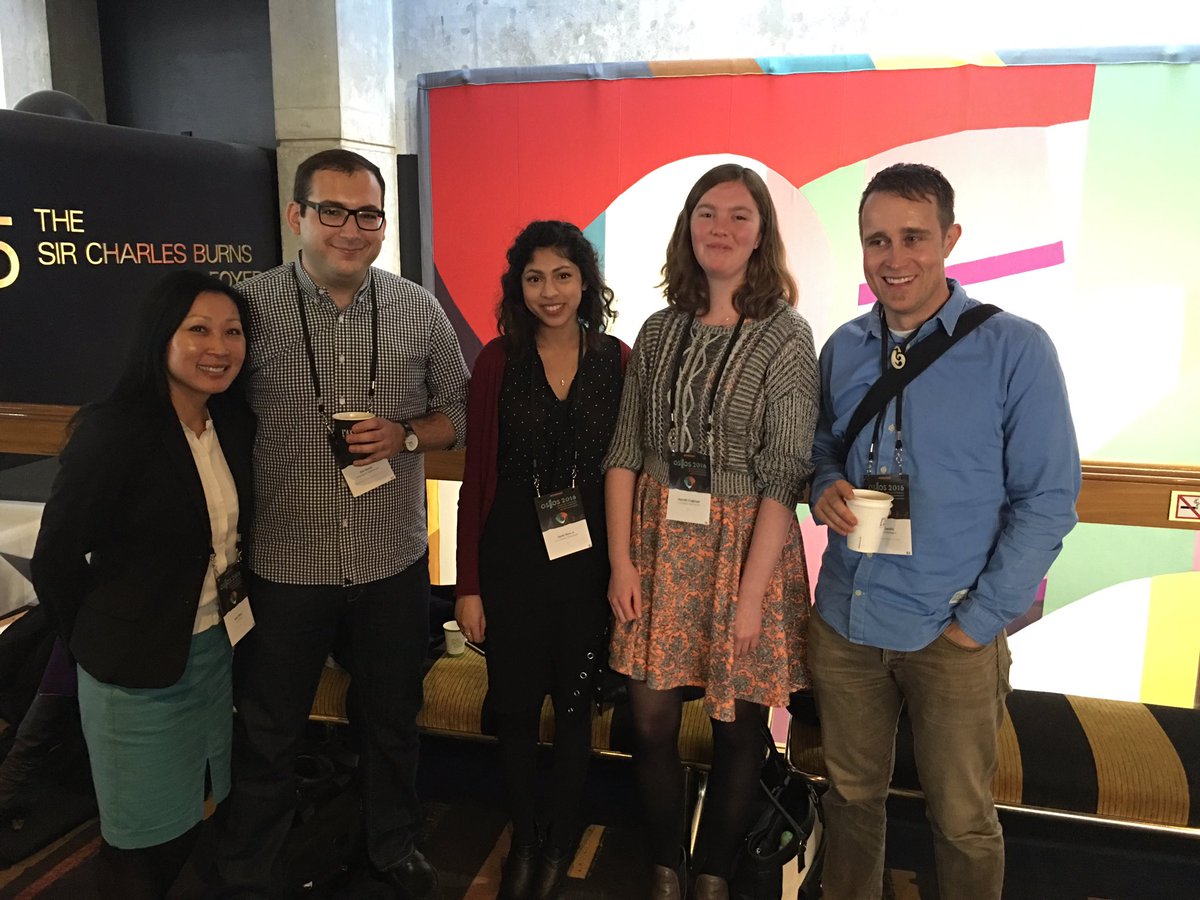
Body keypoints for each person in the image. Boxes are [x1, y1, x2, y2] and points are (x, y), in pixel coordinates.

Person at [808, 162, 1081, 900]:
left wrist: (977, 623)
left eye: (913, 237)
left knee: (962, 819)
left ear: (951, 238)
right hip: (847, 622)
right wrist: (822, 482)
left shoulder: (1016, 350)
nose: (894, 259)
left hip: (949, 631)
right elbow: (823, 444)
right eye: (877, 241)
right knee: (850, 800)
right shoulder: (842, 347)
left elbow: (1049, 498)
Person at [214, 149, 468, 899]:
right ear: (297, 217)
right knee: (269, 728)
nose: (351, 229)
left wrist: (408, 435)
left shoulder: (418, 308)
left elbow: (459, 410)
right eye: (333, 211)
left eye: (368, 214)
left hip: (390, 562)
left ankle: (392, 843)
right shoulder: (246, 310)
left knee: (392, 720)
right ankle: (249, 867)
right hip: (285, 564)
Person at [604, 164, 819, 900]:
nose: (720, 229)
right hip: (660, 544)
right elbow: (626, 451)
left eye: (738, 215)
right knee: (653, 717)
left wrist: (752, 596)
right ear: (686, 228)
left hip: (744, 552)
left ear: (762, 233)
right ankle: (667, 864)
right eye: (706, 214)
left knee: (738, 730)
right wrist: (621, 564)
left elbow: (783, 472)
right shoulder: (659, 330)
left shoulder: (787, 335)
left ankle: (716, 873)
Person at [32, 270, 255, 898]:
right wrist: (97, 641)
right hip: (134, 670)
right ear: (160, 337)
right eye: (199, 330)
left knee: (190, 817)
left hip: (213, 652)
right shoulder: (114, 431)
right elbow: (55, 559)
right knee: (139, 838)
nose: (219, 347)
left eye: (232, 332)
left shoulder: (228, 426)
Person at [455, 220, 629, 900]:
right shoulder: (497, 361)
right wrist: (469, 585)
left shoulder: (616, 358)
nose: (549, 291)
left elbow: (630, 470)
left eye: (562, 275)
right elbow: (476, 479)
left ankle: (559, 842)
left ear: (585, 282)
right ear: (517, 287)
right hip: (512, 561)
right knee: (519, 710)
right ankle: (524, 840)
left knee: (578, 709)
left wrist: (627, 566)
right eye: (534, 278)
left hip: (590, 565)